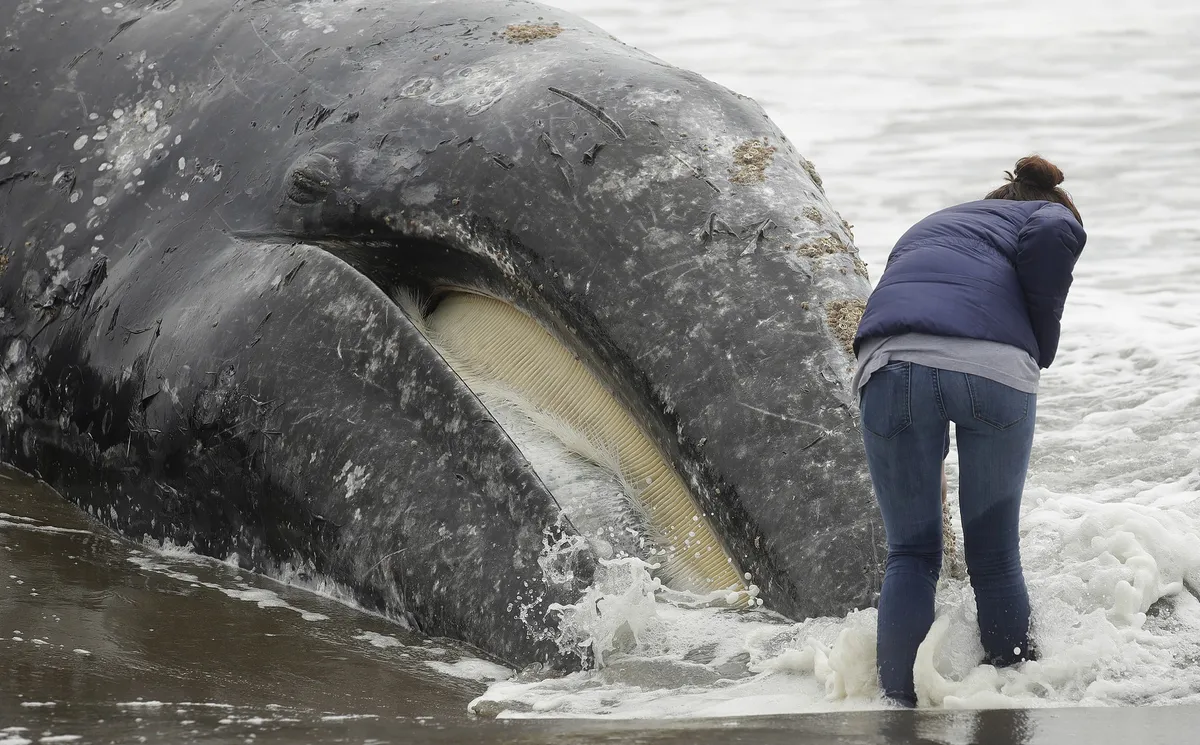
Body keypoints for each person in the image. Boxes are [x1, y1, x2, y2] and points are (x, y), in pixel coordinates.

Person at [852, 155, 1087, 707]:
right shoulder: (1045, 217)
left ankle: (898, 707)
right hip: (993, 370)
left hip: (891, 364)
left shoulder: (934, 223)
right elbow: (1056, 230)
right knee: (995, 556)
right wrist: (1042, 341)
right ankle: (1012, 697)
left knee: (910, 553)